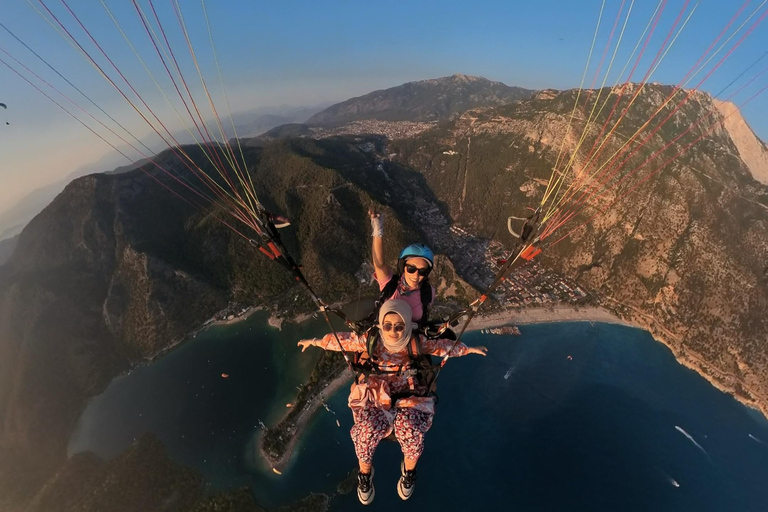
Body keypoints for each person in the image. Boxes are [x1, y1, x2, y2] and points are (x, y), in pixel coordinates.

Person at [297, 299, 487, 504]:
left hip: (409, 397)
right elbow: (342, 340)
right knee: (366, 431)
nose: (394, 331)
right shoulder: (372, 340)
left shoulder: (415, 343)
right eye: (388, 326)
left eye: (399, 326)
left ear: (406, 325)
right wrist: (315, 341)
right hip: (376, 397)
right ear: (381, 325)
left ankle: (409, 472)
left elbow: (442, 347)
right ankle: (365, 474)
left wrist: (467, 349)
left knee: (411, 428)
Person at [369, 209, 435, 324]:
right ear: (403, 267)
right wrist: (377, 231)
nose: (416, 275)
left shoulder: (428, 292)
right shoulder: (390, 285)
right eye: (411, 269)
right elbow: (379, 265)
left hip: (412, 339)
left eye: (422, 271)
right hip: (386, 338)